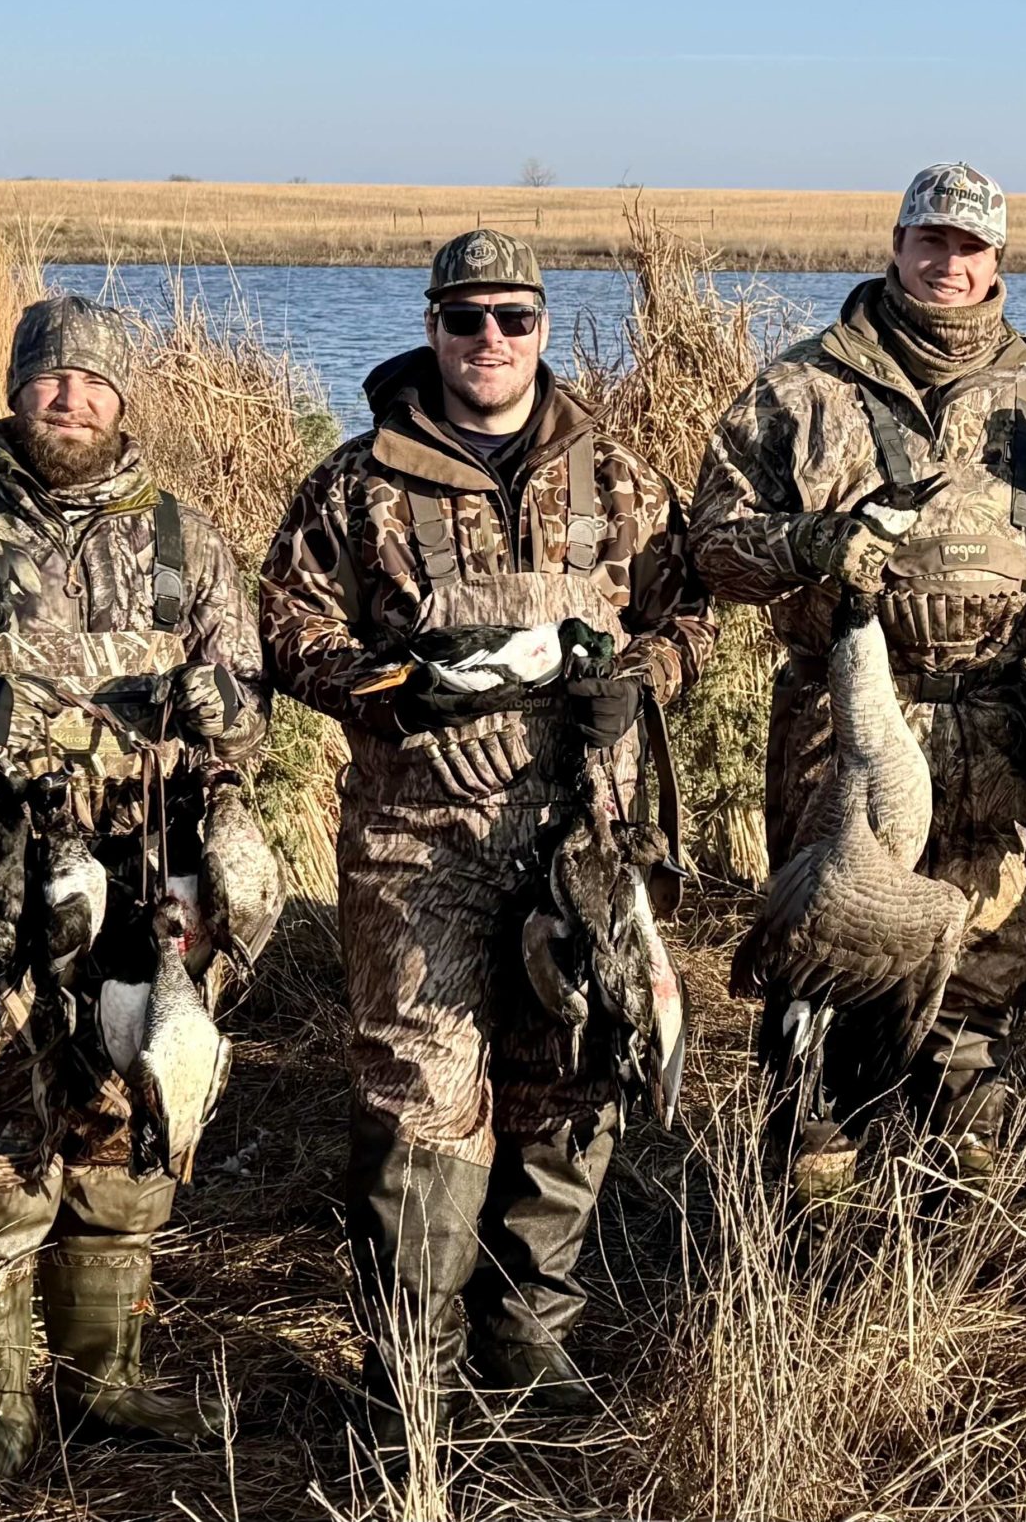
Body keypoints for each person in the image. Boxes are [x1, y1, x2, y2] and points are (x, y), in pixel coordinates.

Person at [258, 229, 712, 1438]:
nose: (489, 341)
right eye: (465, 319)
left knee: (571, 1069)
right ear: (433, 327)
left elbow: (692, 603)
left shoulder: (613, 473)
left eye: (512, 317)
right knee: (422, 1085)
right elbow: (283, 623)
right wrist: (382, 684)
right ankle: (416, 1363)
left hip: (586, 832)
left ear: (544, 326)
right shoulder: (359, 480)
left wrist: (647, 671)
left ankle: (531, 1333)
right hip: (420, 834)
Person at [0, 294, 272, 1478]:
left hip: (143, 885)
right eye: (48, 379)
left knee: (130, 1118)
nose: (69, 399)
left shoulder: (185, 536)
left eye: (92, 381)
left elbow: (250, 717)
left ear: (123, 399)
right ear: (15, 387)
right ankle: (1, 1401)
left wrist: (226, 711)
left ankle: (109, 1376)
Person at [691, 162, 1026, 1192]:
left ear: (997, 262)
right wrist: (814, 544)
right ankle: (810, 1223)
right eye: (930, 239)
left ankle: (956, 1222)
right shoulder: (799, 388)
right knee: (828, 979)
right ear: (896, 245)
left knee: (980, 987)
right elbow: (711, 548)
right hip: (845, 726)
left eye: (970, 245)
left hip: (994, 726)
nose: (949, 261)